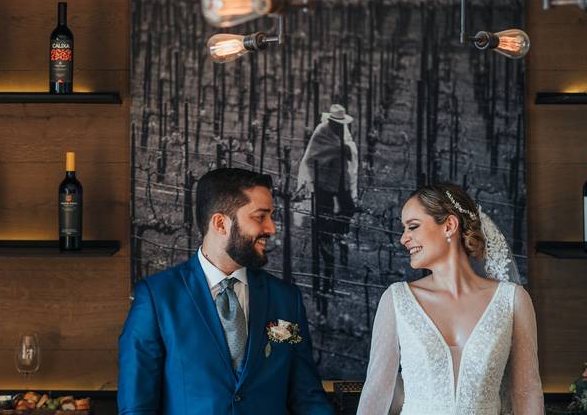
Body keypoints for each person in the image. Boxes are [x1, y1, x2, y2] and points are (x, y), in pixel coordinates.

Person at [117, 168, 333, 415]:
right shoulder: (157, 298)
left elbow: (307, 397)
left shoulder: (286, 300)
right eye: (260, 217)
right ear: (220, 223)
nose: (271, 228)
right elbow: (137, 407)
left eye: (271, 216)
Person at [356, 183, 544, 415]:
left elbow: (526, 392)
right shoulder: (396, 300)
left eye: (412, 226)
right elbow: (376, 392)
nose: (404, 239)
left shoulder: (513, 300)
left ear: (449, 225)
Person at [296, 103, 358, 312]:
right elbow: (314, 155)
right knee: (324, 214)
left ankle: (336, 233)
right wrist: (339, 150)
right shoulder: (322, 132)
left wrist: (345, 150)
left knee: (348, 209)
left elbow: (350, 152)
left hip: (340, 180)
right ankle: (326, 239)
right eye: (336, 123)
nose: (339, 127)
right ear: (330, 121)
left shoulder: (343, 134)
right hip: (323, 182)